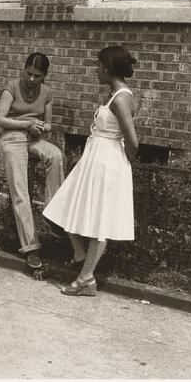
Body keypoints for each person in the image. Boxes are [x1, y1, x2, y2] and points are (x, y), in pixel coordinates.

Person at [43, 46, 138, 296]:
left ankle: (85, 279)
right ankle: (80, 254)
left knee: (100, 220)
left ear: (107, 68)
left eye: (98, 66)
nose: (96, 71)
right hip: (94, 160)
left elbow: (133, 141)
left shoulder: (121, 98)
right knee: (63, 205)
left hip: (108, 164)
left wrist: (123, 166)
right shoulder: (113, 95)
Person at [0, 52, 65, 270]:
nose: (32, 79)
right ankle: (31, 247)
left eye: (37, 76)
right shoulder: (12, 87)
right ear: (23, 69)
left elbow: (49, 124)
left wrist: (41, 127)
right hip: (12, 137)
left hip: (34, 138)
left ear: (44, 76)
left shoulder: (47, 93)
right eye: (29, 73)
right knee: (20, 190)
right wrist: (26, 124)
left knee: (56, 156)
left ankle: (52, 215)